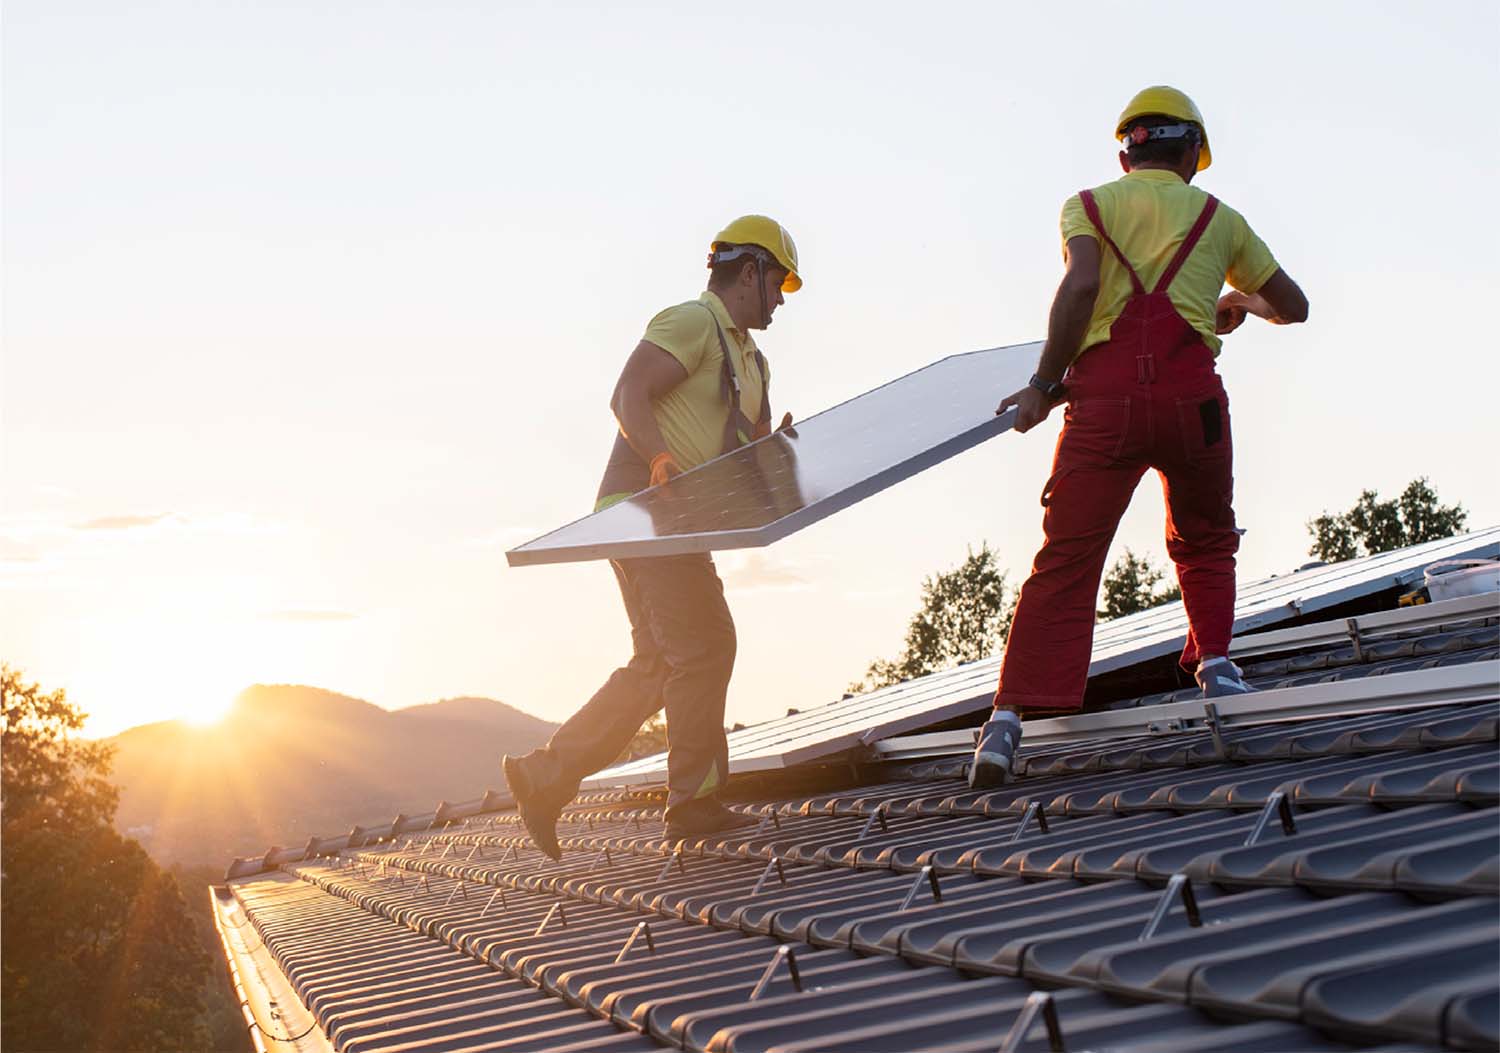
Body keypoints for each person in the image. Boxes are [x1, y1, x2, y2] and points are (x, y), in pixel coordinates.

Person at [970, 87, 1308, 789]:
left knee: (1066, 554)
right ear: (1190, 152)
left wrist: (1042, 383)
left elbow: (1081, 287)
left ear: (1127, 151)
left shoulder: (1090, 206)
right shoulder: (1221, 218)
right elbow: (1294, 306)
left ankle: (1005, 722)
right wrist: (1237, 302)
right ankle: (1216, 667)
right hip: (1193, 404)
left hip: (1103, 406)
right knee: (1206, 535)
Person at [503, 215, 801, 855]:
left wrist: (774, 451)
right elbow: (628, 392)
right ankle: (694, 803)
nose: (780, 299)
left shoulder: (754, 364)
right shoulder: (692, 322)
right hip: (644, 507)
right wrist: (660, 456)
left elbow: (741, 457)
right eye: (778, 282)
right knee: (708, 644)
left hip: (679, 520)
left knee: (663, 661)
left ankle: (544, 775)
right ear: (748, 272)